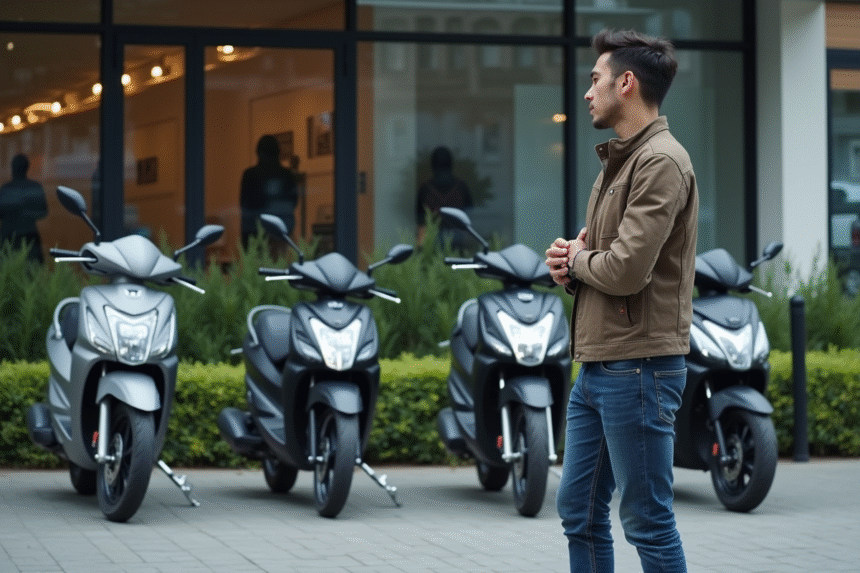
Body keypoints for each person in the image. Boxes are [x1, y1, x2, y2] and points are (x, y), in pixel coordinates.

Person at [545, 29, 698, 573]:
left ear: (626, 83)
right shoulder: (618, 161)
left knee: (647, 521)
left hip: (639, 368)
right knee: (579, 514)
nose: (588, 93)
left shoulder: (660, 162)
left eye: (596, 80)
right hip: (599, 365)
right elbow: (599, 257)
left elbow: (626, 270)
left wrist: (579, 261)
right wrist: (569, 265)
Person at [240, 135, 298, 247]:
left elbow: (245, 206)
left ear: (258, 152)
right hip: (280, 232)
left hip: (255, 232)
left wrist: (245, 238)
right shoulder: (286, 174)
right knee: (280, 263)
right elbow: (293, 202)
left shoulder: (250, 175)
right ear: (278, 152)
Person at [416, 146, 473, 250]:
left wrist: (420, 248)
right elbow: (469, 216)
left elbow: (421, 222)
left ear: (432, 164)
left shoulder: (425, 189)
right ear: (451, 163)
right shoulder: (461, 187)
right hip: (457, 239)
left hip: (433, 240)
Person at [0, 153, 48, 263]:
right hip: (28, 235)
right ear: (27, 168)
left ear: (12, 168)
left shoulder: (6, 189)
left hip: (10, 235)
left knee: (9, 271)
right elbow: (43, 212)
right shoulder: (35, 187)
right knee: (32, 271)